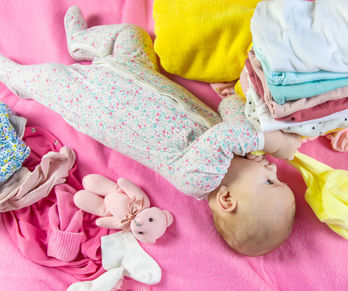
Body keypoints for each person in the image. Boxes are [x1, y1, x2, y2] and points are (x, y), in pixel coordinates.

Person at [0, 6, 300, 256]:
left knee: (54, 81)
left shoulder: (199, 179)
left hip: (101, 105)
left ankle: (14, 77)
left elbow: (226, 137)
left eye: (270, 181)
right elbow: (231, 120)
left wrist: (269, 141)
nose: (273, 168)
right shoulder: (240, 149)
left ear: (226, 200)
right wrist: (232, 99)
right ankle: (81, 41)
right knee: (132, 37)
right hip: (138, 74)